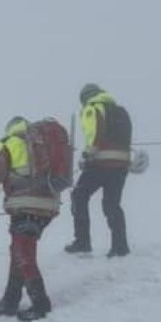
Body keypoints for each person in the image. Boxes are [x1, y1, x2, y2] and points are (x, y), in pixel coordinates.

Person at [0, 117, 59, 322]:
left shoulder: (10, 143)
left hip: (26, 204)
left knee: (22, 253)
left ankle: (40, 303)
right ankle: (10, 300)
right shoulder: (44, 144)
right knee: (19, 250)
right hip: (48, 207)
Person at [65, 84, 132, 257]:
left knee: (79, 196)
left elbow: (96, 133)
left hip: (100, 164)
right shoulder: (121, 111)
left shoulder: (93, 108)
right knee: (112, 205)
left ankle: (82, 241)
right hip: (121, 165)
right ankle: (120, 246)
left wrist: (88, 154)